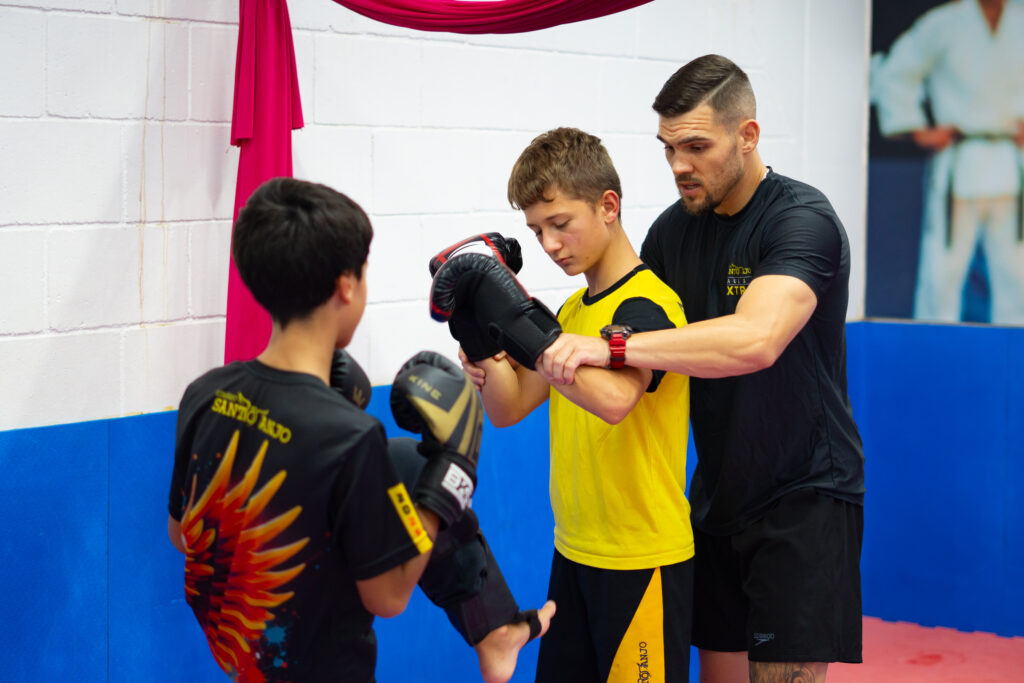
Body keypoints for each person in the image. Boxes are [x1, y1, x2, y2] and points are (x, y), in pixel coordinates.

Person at [537, 56, 866, 683]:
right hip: (713, 496)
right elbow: (626, 322)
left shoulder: (802, 219)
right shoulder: (672, 232)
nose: (679, 165)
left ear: (747, 136)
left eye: (695, 146)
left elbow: (756, 340)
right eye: (668, 149)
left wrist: (611, 348)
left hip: (802, 497)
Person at [166, 177, 554, 683]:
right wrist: (452, 474)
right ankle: (495, 629)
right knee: (422, 471)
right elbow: (389, 597)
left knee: (403, 462)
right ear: (346, 286)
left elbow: (182, 534)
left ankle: (496, 629)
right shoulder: (348, 436)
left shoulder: (205, 394)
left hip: (245, 664)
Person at [431, 127, 695, 682]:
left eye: (559, 223)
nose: (549, 244)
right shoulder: (573, 312)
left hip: (640, 558)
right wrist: (477, 336)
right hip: (575, 551)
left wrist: (524, 328)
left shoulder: (651, 303)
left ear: (608, 206)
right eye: (536, 231)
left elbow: (616, 399)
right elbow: (507, 409)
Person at [873, 0, 1024, 324]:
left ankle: (1016, 350)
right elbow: (897, 71)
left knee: (1018, 275)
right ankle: (934, 345)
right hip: (960, 160)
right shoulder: (944, 23)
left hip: (1013, 162)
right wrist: (916, 129)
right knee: (942, 274)